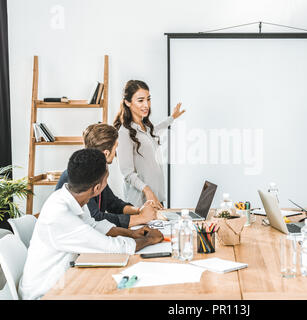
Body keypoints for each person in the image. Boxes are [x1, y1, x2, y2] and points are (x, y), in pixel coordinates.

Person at [19, 149, 164, 300]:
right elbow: (114, 248)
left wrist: (133, 233)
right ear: (96, 189)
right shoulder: (61, 216)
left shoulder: (69, 198)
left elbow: (95, 226)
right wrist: (149, 239)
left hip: (65, 281)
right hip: (45, 293)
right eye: (107, 180)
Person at [55, 123, 158, 228]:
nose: (116, 153)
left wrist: (139, 210)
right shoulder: (79, 176)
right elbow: (95, 218)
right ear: (106, 153)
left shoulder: (96, 171)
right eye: (115, 148)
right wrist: (141, 218)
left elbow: (113, 203)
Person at [114, 80, 186, 208]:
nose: (146, 105)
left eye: (148, 99)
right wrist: (147, 191)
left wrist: (172, 117)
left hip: (156, 197)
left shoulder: (146, 128)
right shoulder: (124, 133)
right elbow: (127, 173)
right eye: (140, 100)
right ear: (128, 102)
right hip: (141, 201)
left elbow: (158, 128)